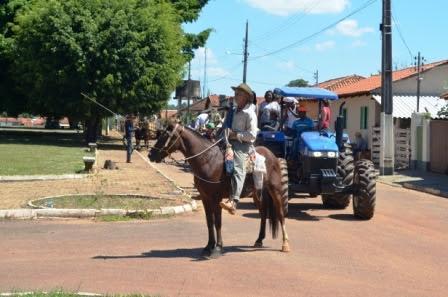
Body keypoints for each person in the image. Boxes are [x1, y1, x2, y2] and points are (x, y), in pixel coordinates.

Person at [220, 83, 258, 215]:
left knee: (237, 167)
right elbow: (227, 127)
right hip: (228, 141)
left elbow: (252, 135)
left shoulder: (250, 114)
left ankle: (233, 201)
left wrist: (236, 135)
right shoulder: (234, 111)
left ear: (246, 97)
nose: (235, 96)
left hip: (243, 145)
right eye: (235, 93)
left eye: (238, 94)